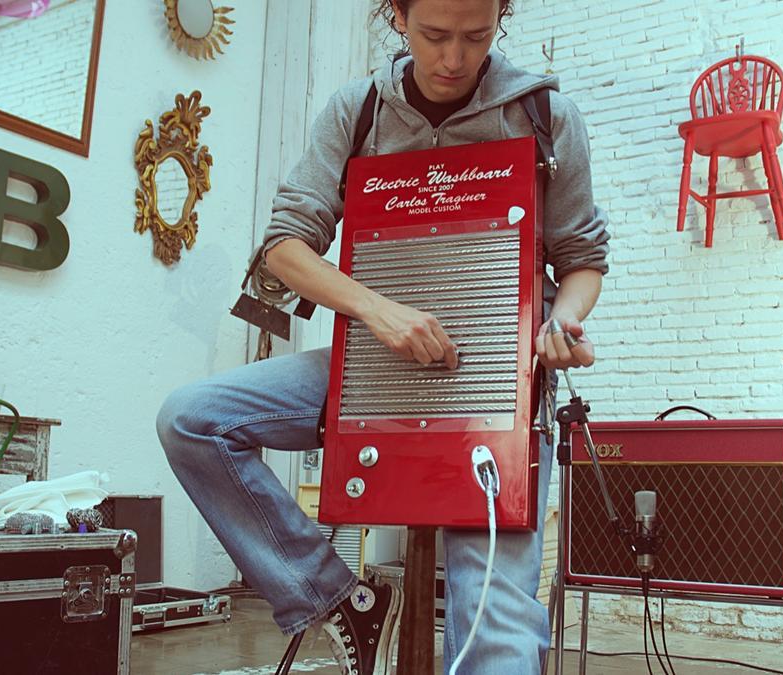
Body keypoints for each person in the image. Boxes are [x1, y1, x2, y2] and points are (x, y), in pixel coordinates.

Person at [156, 0, 609, 672]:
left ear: (500, 19)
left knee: (497, 630)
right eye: (433, 35)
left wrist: (562, 320)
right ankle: (333, 595)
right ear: (397, 16)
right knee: (192, 419)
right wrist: (377, 310)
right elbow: (284, 246)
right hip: (369, 372)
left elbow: (581, 261)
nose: (454, 58)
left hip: (498, 396)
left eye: (476, 36)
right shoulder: (358, 111)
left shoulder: (545, 118)